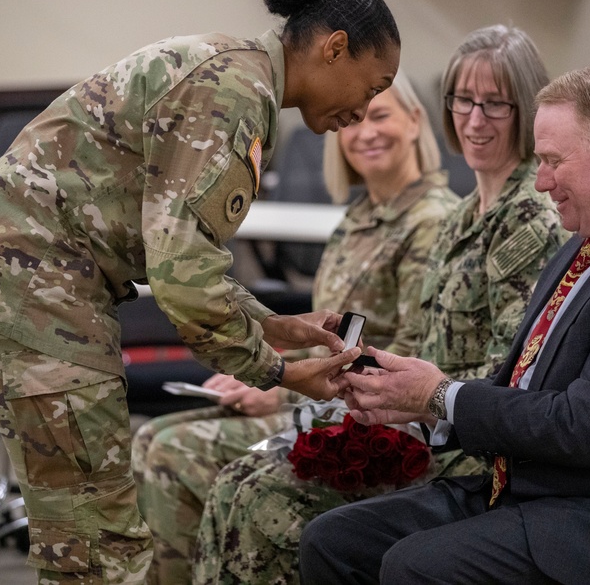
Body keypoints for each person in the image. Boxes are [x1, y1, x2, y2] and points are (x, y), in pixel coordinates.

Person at [0, 0, 398, 585]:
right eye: (373, 87)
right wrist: (278, 372)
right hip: (36, 284)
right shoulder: (235, 92)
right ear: (335, 49)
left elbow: (181, 253)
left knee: (85, 531)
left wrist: (277, 326)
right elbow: (182, 272)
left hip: (32, 277)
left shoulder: (237, 71)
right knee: (97, 540)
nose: (363, 111)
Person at [301, 60, 590, 584]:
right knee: (334, 540)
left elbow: (584, 430)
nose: (540, 182)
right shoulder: (587, 247)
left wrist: (441, 395)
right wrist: (414, 406)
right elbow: (525, 388)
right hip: (542, 493)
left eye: (554, 161)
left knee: (413, 567)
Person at [192, 24, 569, 585]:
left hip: (466, 454)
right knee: (240, 482)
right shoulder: (464, 215)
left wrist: (410, 396)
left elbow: (513, 376)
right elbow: (419, 343)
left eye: (496, 103)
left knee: (259, 500)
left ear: (527, 112)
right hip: (415, 423)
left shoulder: (529, 219)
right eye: (463, 100)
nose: (474, 119)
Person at [129, 72, 460, 584]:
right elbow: (339, 333)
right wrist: (276, 374)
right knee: (152, 437)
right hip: (321, 397)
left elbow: (412, 358)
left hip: (368, 416)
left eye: (383, 115)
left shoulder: (431, 220)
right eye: (356, 121)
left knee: (172, 454)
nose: (366, 132)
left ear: (416, 122)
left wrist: (281, 390)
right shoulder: (361, 215)